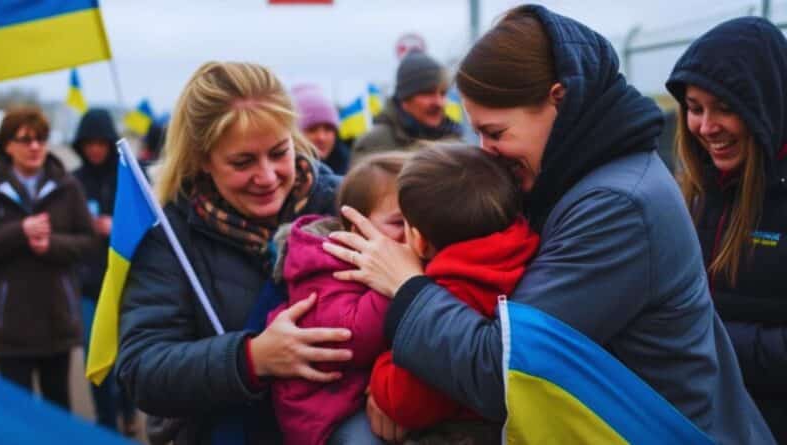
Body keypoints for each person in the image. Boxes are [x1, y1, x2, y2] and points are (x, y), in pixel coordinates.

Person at [322, 5, 775, 444]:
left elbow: (507, 371)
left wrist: (409, 290)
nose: (484, 151)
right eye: (476, 133)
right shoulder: (577, 176)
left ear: (559, 100)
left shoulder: (615, 206)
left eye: (495, 133)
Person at [114, 62, 349, 445]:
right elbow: (141, 369)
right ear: (203, 158)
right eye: (243, 162)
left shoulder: (345, 203)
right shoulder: (169, 235)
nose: (268, 176)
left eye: (279, 153)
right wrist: (252, 358)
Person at [666, 16, 787, 443]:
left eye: (726, 107)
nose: (705, 126)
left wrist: (701, 342)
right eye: (695, 108)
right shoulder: (696, 193)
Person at [368, 144, 538, 443]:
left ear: (418, 241)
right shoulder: (527, 248)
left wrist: (380, 370)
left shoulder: (452, 290)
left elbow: (406, 402)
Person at [267, 152, 408, 445]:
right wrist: (400, 284)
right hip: (330, 413)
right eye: (398, 222)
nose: (412, 231)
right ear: (357, 228)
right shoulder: (323, 266)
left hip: (360, 390)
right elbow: (352, 338)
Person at [0, 106, 95, 410]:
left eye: (41, 138)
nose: (35, 146)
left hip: (55, 320)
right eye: (25, 139)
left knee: (58, 409)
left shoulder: (67, 186)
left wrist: (52, 245)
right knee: (18, 416)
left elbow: (88, 241)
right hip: (9, 325)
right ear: (7, 145)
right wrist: (18, 231)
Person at [70, 108, 138, 434]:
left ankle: (128, 413)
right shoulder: (74, 182)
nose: (95, 149)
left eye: (101, 142)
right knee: (94, 360)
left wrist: (115, 227)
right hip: (87, 286)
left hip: (125, 285)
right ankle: (105, 425)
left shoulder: (129, 178)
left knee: (125, 357)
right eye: (89, 143)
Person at [352, 51, 461, 158]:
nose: (439, 103)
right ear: (405, 98)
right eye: (428, 93)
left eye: (443, 94)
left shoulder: (455, 144)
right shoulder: (374, 144)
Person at [292, 84, 351, 175]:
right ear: (295, 134)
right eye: (312, 129)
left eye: (328, 129)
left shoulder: (351, 169)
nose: (321, 137)